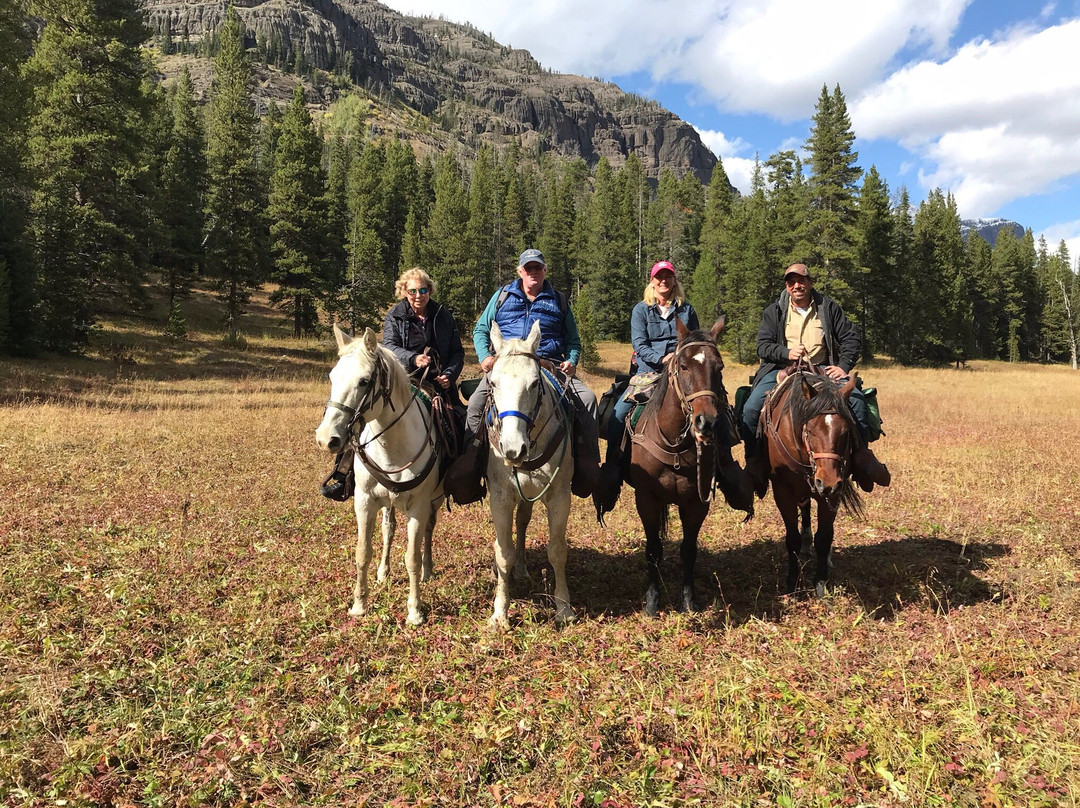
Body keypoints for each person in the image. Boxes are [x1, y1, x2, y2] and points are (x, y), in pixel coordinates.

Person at [444, 248, 601, 503]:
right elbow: (481, 330)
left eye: (537, 268)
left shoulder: (558, 300)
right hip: (506, 366)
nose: (533, 273)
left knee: (588, 399)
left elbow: (573, 340)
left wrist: (571, 362)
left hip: (548, 365)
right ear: (520, 272)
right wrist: (485, 357)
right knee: (475, 404)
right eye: (528, 269)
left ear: (544, 271)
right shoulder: (502, 296)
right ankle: (471, 462)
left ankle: (587, 462)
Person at [595, 261, 749, 512]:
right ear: (652, 281)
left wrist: (683, 360)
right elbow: (639, 344)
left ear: (674, 281)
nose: (663, 281)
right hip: (649, 373)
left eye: (668, 277)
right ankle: (613, 465)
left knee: (716, 408)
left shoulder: (687, 310)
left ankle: (726, 463)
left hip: (685, 372)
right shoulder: (640, 311)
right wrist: (663, 359)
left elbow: (696, 341)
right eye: (659, 277)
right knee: (620, 412)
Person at [740, 262, 891, 495]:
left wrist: (842, 367)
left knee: (857, 401)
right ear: (787, 287)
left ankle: (860, 456)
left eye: (801, 280)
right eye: (791, 282)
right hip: (782, 369)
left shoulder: (828, 308)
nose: (797, 285)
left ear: (810, 282)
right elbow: (763, 346)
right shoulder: (774, 311)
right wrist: (785, 353)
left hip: (821, 368)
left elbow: (851, 338)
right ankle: (755, 461)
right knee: (751, 408)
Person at [321, 267, 465, 501]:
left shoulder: (443, 315)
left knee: (458, 420)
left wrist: (449, 374)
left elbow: (457, 352)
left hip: (438, 383)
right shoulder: (395, 315)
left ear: (430, 290)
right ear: (404, 292)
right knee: (364, 413)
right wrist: (413, 358)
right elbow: (389, 346)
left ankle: (455, 474)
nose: (418, 295)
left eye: (423, 290)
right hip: (404, 379)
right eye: (412, 290)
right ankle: (343, 473)